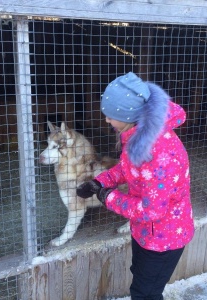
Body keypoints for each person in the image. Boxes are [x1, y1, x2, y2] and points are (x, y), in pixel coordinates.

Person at [77, 72, 194, 300]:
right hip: (146, 232)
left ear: (128, 114)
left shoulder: (160, 154)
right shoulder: (138, 137)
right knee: (139, 278)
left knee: (145, 294)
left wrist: (108, 197)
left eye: (110, 116)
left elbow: (152, 210)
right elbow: (128, 168)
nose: (107, 121)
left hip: (164, 238)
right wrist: (99, 182)